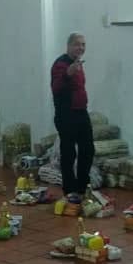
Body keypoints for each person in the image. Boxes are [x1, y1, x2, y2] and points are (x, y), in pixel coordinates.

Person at [50, 33, 94, 197]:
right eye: (77, 44)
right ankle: (69, 189)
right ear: (68, 46)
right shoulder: (60, 64)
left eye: (83, 45)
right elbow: (56, 88)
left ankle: (83, 186)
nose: (81, 48)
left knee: (88, 149)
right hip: (66, 114)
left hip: (81, 112)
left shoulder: (78, 64)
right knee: (69, 152)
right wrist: (67, 74)